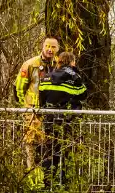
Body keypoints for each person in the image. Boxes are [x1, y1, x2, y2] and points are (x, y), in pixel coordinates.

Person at [37, 51, 87, 186]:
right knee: (67, 151)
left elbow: (41, 100)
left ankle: (47, 183)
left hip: (49, 119)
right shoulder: (75, 77)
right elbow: (83, 94)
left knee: (50, 150)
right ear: (72, 62)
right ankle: (65, 183)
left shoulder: (46, 77)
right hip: (68, 120)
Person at [14, 36, 60, 171]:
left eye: (53, 47)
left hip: (51, 109)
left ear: (58, 49)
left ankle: (45, 173)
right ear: (42, 46)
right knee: (31, 140)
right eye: (47, 46)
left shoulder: (59, 65)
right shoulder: (30, 64)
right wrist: (25, 106)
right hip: (32, 109)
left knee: (48, 141)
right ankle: (31, 171)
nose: (50, 50)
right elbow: (19, 87)